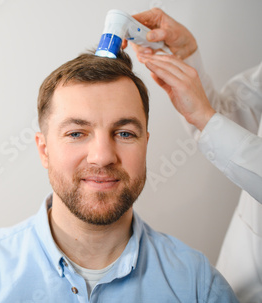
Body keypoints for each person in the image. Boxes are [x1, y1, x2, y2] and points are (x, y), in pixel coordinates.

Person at [0, 49, 238, 302]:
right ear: (44, 150)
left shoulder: (198, 286)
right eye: (77, 133)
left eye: (125, 133)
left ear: (146, 144)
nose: (103, 156)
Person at [127, 7, 262, 302]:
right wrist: (186, 57)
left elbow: (214, 124)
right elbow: (230, 122)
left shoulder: (188, 273)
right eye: (76, 133)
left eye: (124, 133)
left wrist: (205, 116)